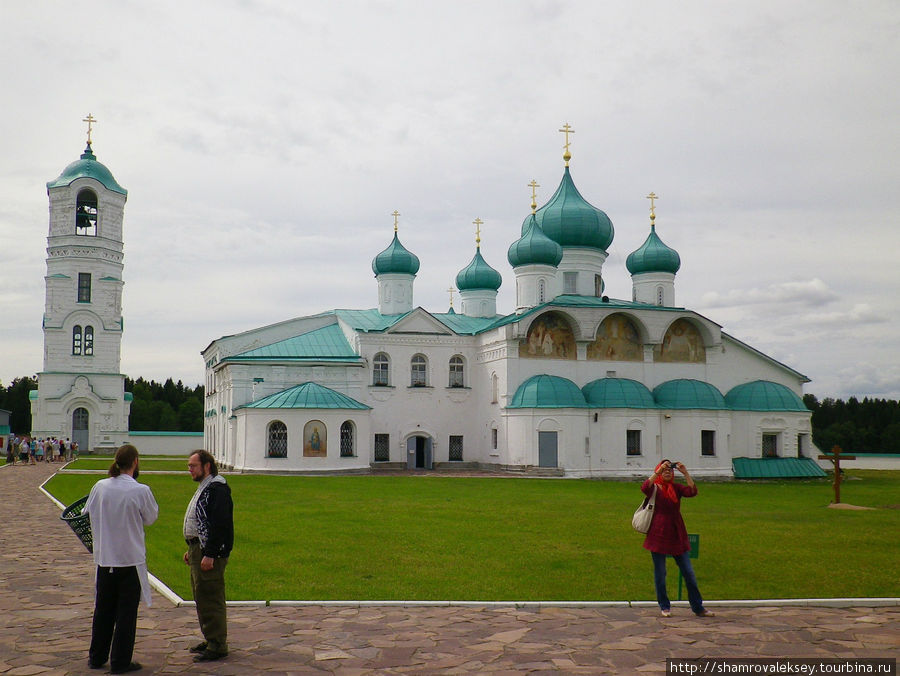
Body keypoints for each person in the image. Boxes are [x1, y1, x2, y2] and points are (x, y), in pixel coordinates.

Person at [83, 444, 158, 673]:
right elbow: (150, 518)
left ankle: (96, 657)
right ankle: (120, 661)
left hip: (105, 559)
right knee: (126, 613)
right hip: (130, 559)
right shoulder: (140, 490)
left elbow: (86, 512)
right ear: (135, 462)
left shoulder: (100, 486)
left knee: (103, 609)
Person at [641, 459, 714, 618]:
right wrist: (658, 472)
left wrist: (685, 472)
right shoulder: (655, 488)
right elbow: (644, 487)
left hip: (676, 534)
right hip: (658, 534)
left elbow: (692, 491)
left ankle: (697, 607)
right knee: (660, 573)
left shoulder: (676, 488)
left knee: (689, 573)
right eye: (665, 469)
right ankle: (664, 606)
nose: (668, 471)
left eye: (670, 469)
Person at [183, 450, 233, 662]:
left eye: (193, 466)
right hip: (199, 549)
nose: (190, 470)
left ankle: (218, 644)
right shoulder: (205, 488)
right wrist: (192, 548)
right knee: (202, 596)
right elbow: (201, 521)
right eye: (189, 466)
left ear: (207, 467)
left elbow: (220, 524)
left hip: (209, 552)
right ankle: (211, 637)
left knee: (211, 596)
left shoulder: (217, 489)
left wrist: (210, 553)